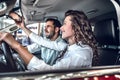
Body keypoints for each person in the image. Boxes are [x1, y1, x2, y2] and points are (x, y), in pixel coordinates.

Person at [0, 10, 99, 71]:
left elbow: (51, 72)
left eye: (64, 24)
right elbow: (42, 41)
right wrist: (23, 27)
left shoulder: (82, 54)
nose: (61, 28)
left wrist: (16, 46)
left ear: (76, 27)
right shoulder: (68, 47)